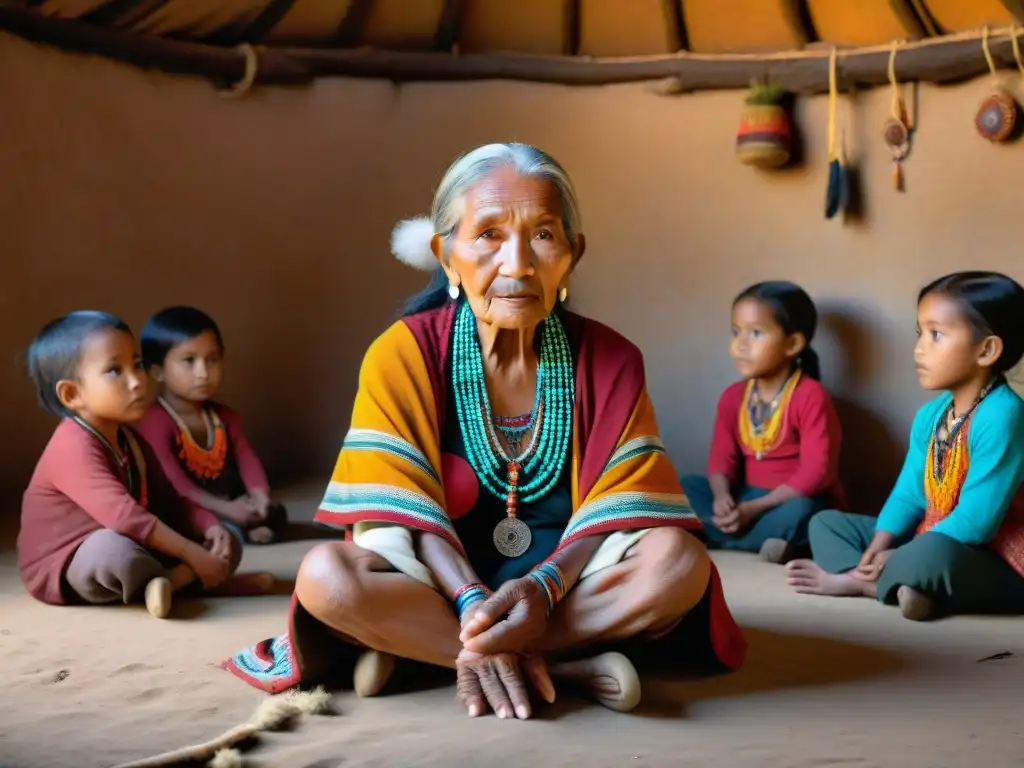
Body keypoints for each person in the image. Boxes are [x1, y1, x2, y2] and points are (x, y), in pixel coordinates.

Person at [223, 143, 746, 717]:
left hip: (565, 584)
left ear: (573, 255)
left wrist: (543, 590)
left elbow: (621, 505)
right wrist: (472, 598)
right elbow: (400, 512)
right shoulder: (402, 353)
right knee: (328, 579)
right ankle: (557, 665)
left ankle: (430, 653)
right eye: (489, 235)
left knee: (678, 562)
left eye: (544, 234)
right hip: (437, 585)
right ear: (446, 256)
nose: (518, 262)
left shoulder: (610, 357)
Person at [787, 271, 1024, 620]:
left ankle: (863, 583)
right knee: (825, 524)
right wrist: (880, 544)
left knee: (931, 554)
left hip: (991, 554)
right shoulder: (932, 415)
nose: (919, 347)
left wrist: (900, 554)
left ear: (986, 350)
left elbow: (977, 522)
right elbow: (910, 494)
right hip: (929, 534)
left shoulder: (1003, 415)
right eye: (920, 333)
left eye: (936, 335)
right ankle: (905, 587)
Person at [18, 311, 273, 619]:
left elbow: (171, 502)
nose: (137, 381)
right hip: (72, 558)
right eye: (115, 370)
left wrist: (209, 525)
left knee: (227, 539)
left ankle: (167, 584)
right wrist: (192, 553)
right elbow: (125, 516)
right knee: (113, 552)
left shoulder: (130, 440)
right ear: (72, 394)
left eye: (136, 365)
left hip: (136, 539)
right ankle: (184, 580)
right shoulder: (71, 445)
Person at [681, 281, 845, 564]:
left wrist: (755, 508)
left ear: (792, 344)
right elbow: (721, 459)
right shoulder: (734, 397)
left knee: (807, 514)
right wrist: (722, 498)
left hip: (788, 500)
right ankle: (763, 543)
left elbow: (817, 473)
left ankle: (718, 535)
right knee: (685, 487)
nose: (740, 344)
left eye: (756, 333)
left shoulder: (810, 396)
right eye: (736, 332)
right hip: (746, 497)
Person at [137, 306, 288, 544]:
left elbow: (246, 459)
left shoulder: (224, 417)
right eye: (189, 361)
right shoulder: (155, 422)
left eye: (212, 360)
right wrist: (226, 510)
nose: (203, 373)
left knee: (274, 511)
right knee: (190, 523)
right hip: (185, 504)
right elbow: (176, 483)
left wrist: (260, 495)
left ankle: (246, 521)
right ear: (157, 371)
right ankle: (235, 528)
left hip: (225, 499)